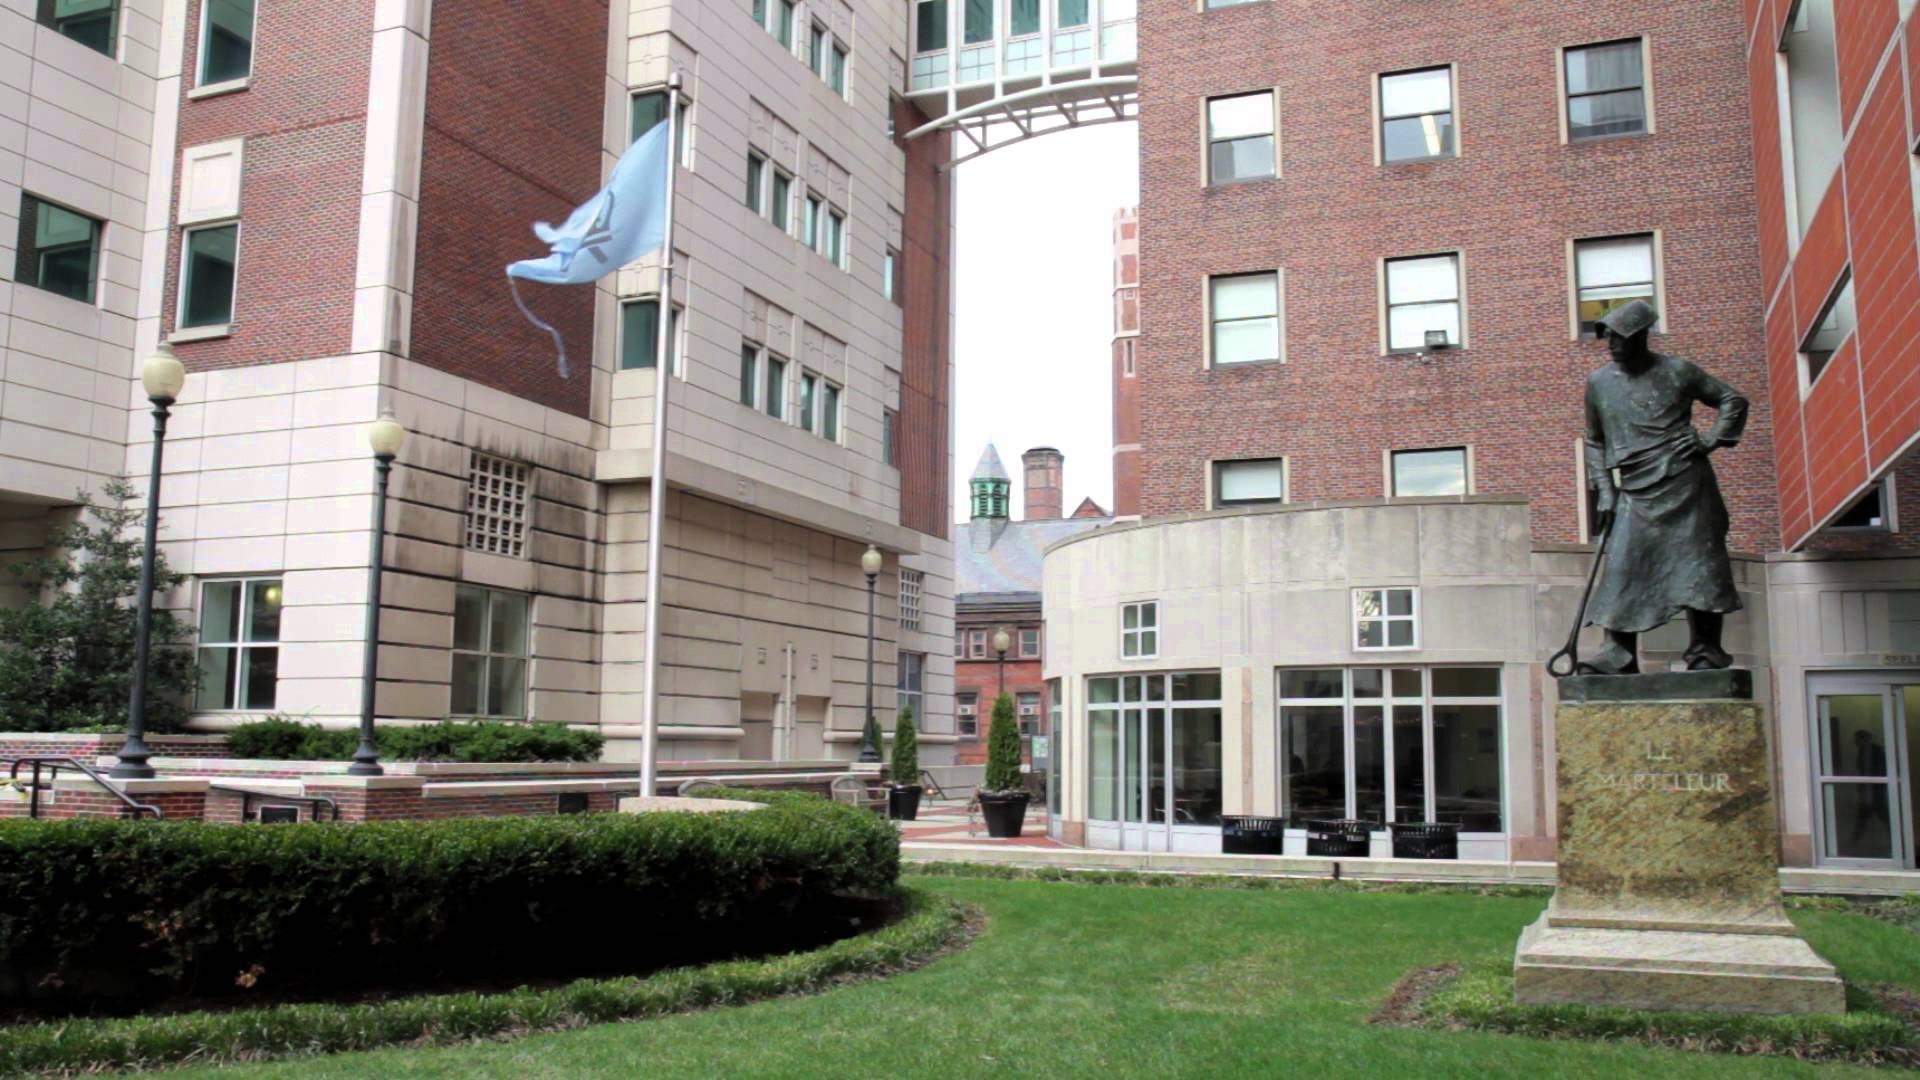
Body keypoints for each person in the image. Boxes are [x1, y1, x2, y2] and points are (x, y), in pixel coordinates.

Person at [1580, 300, 1748, 674]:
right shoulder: (1599, 382)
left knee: (1699, 565)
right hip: (1635, 489)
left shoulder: (1678, 371)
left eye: (1620, 337)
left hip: (1687, 482)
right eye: (1608, 337)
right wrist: (1604, 491)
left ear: (1641, 336)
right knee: (1623, 565)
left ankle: (1706, 650)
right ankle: (1618, 653)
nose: (1612, 344)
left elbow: (1732, 399)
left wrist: (1711, 438)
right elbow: (1594, 441)